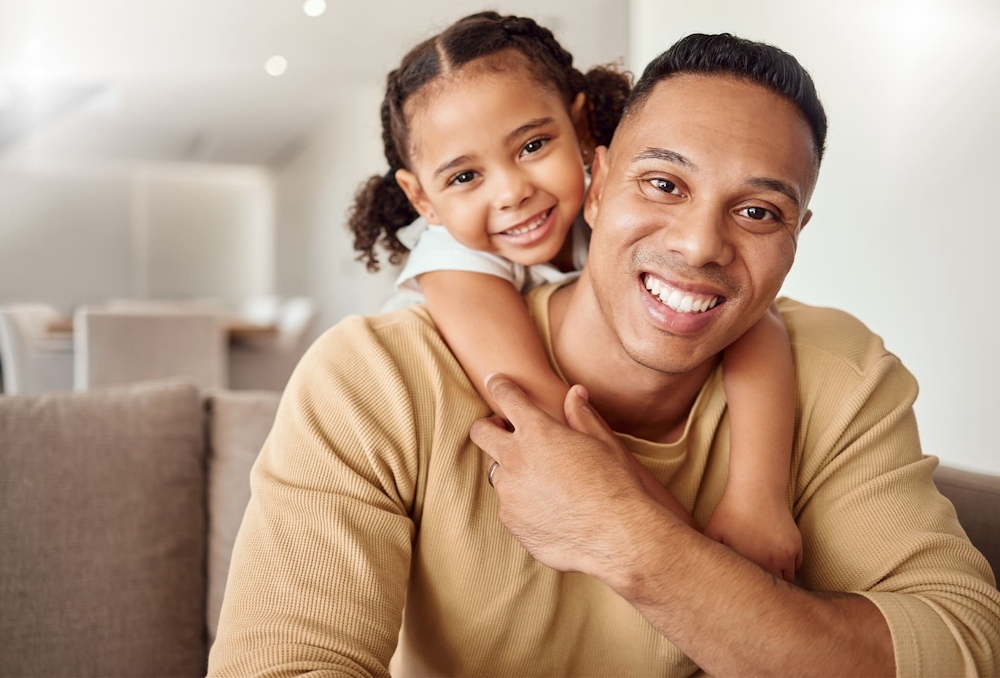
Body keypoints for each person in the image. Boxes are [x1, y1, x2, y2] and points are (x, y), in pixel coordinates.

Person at [208, 31, 1000, 678]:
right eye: (662, 184)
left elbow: (962, 649)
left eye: (758, 210)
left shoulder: (839, 369)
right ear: (602, 176)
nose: (698, 243)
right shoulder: (389, 367)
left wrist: (633, 533)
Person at [348, 11, 801, 580]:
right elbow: (546, 416)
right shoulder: (453, 261)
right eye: (465, 177)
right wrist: (709, 567)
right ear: (423, 200)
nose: (512, 191)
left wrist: (758, 499)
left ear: (582, 129)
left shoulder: (616, 217)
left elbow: (762, 326)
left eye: (533, 145)